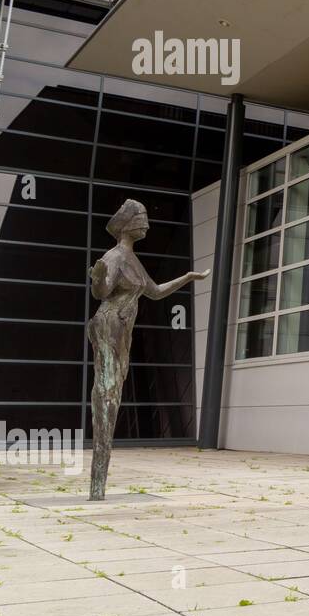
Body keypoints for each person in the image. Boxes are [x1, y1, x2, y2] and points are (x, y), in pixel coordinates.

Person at [87, 200, 209, 500]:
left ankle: (98, 484)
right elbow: (101, 292)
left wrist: (188, 278)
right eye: (141, 218)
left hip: (122, 326)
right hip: (110, 324)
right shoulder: (114, 257)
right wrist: (99, 277)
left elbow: (154, 292)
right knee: (107, 393)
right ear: (127, 223)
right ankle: (96, 484)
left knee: (112, 392)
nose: (147, 224)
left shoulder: (132, 259)